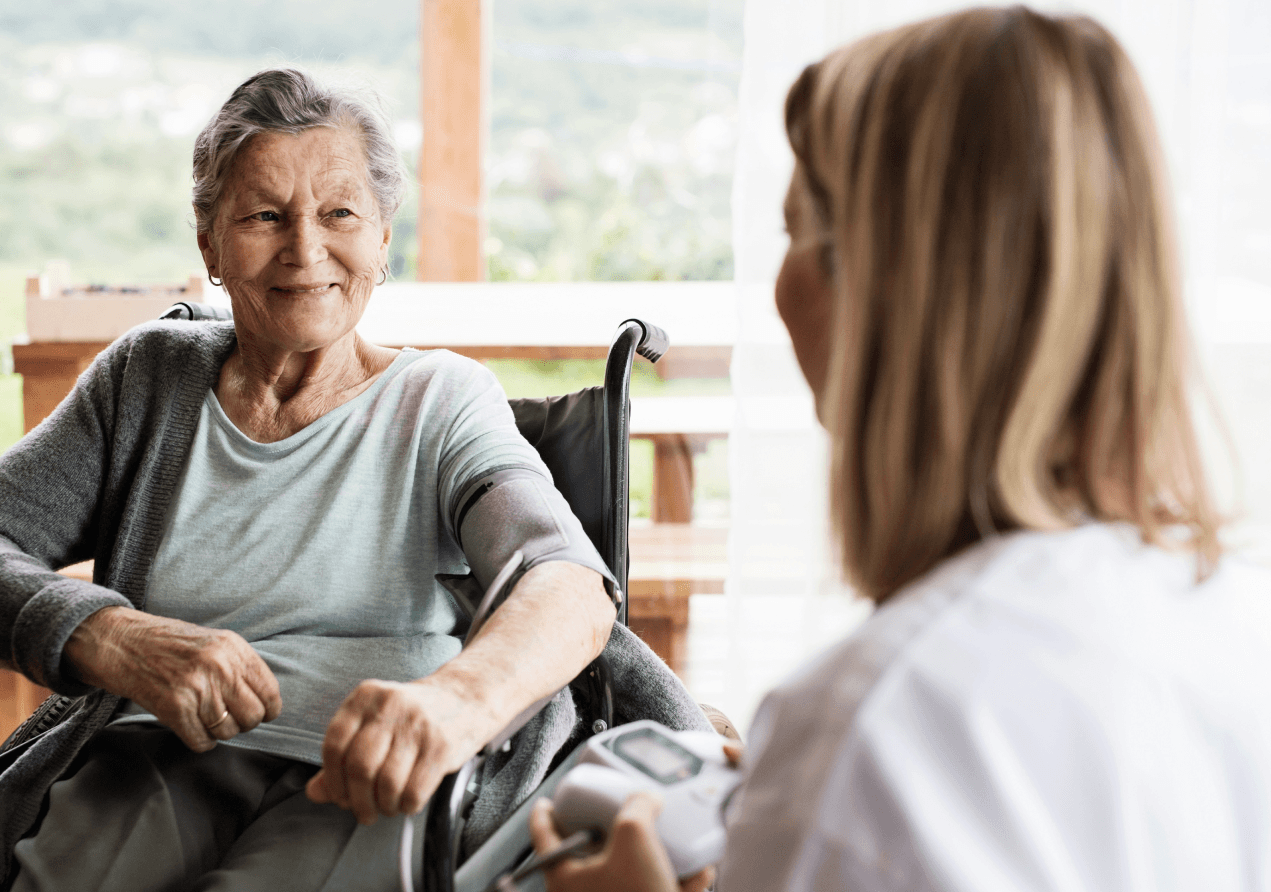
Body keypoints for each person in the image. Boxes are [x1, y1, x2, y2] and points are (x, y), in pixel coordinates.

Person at [0, 68, 706, 892]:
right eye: (264, 216)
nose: (305, 250)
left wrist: (456, 704)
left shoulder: (440, 400)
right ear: (210, 243)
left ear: (383, 237)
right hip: (152, 751)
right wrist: (109, 636)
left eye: (340, 213)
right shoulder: (147, 380)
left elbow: (565, 583)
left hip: (367, 770)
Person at [530, 6, 1271, 891]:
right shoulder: (1225, 613)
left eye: (793, 231)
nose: (777, 288)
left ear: (882, 291)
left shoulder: (874, 727)